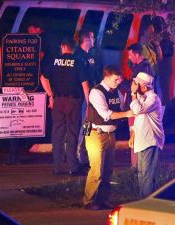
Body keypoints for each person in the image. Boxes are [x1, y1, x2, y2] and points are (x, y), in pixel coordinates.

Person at [83, 65, 133, 210]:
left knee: (108, 169)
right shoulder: (96, 92)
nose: (118, 82)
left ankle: (103, 200)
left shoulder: (116, 92)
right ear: (107, 77)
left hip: (111, 133)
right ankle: (89, 201)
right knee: (96, 169)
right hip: (95, 133)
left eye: (120, 79)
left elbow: (121, 109)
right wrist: (126, 114)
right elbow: (107, 114)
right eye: (116, 79)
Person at [40, 38, 90, 176]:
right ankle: (73, 166)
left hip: (57, 101)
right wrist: (89, 104)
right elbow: (85, 84)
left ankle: (57, 166)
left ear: (63, 46)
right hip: (73, 102)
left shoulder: (54, 61)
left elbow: (43, 78)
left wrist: (50, 94)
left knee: (57, 133)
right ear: (73, 48)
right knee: (73, 133)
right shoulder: (79, 61)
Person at [129, 72, 164, 198]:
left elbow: (137, 110)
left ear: (144, 87)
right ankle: (142, 200)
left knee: (147, 175)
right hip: (142, 141)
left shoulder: (153, 98)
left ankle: (147, 202)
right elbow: (138, 118)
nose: (133, 86)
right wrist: (133, 134)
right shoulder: (142, 98)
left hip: (150, 140)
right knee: (141, 174)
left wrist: (133, 94)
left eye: (136, 84)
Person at [74, 29, 101, 168]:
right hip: (86, 97)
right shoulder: (79, 56)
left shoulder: (90, 55)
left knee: (90, 124)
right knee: (86, 124)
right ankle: (80, 154)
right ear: (86, 40)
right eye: (92, 37)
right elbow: (83, 80)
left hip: (93, 94)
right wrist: (89, 100)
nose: (94, 40)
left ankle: (85, 153)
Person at [125, 43, 154, 168]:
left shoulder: (143, 70)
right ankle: (136, 166)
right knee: (134, 135)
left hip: (137, 108)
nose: (129, 58)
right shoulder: (140, 67)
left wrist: (121, 82)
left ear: (137, 54)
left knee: (135, 135)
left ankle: (136, 167)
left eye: (130, 55)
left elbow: (135, 89)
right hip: (136, 106)